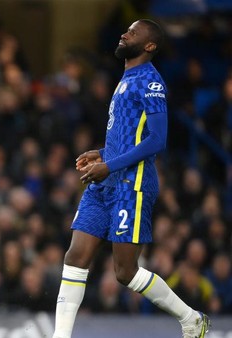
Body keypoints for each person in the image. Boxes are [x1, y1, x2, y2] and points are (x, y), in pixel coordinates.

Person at [52, 19, 211, 338]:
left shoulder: (150, 82)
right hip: (105, 181)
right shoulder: (126, 77)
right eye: (126, 30)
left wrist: (109, 166)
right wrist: (102, 153)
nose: (125, 33)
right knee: (76, 256)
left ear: (149, 46)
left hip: (132, 185)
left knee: (125, 272)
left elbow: (156, 140)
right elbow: (128, 135)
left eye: (134, 32)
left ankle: (191, 318)